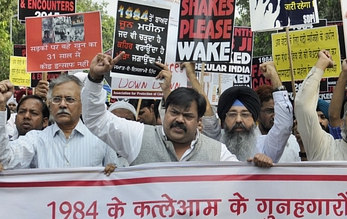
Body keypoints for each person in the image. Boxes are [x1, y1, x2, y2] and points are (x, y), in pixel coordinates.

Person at [81, 53, 272, 166]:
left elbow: (241, 182)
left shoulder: (218, 153)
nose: (179, 119)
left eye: (188, 115)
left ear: (199, 123)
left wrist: (257, 167)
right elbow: (96, 120)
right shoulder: (138, 136)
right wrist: (95, 79)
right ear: (165, 113)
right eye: (174, 112)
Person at [0, 75, 118, 169]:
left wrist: (112, 174)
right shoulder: (36, 140)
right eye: (56, 99)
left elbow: (117, 184)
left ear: (82, 105)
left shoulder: (102, 139)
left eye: (69, 99)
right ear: (50, 105)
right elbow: (3, 159)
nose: (62, 104)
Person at [202, 61, 293, 163]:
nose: (238, 120)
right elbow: (208, 118)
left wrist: (274, 77)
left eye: (245, 114)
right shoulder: (216, 144)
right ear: (224, 118)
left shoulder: (265, 146)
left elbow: (284, 125)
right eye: (232, 114)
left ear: (254, 118)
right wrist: (192, 76)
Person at [255, 84, 300, 162]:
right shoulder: (247, 142)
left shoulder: (293, 142)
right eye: (270, 111)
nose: (275, 116)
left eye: (278, 112)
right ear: (257, 113)